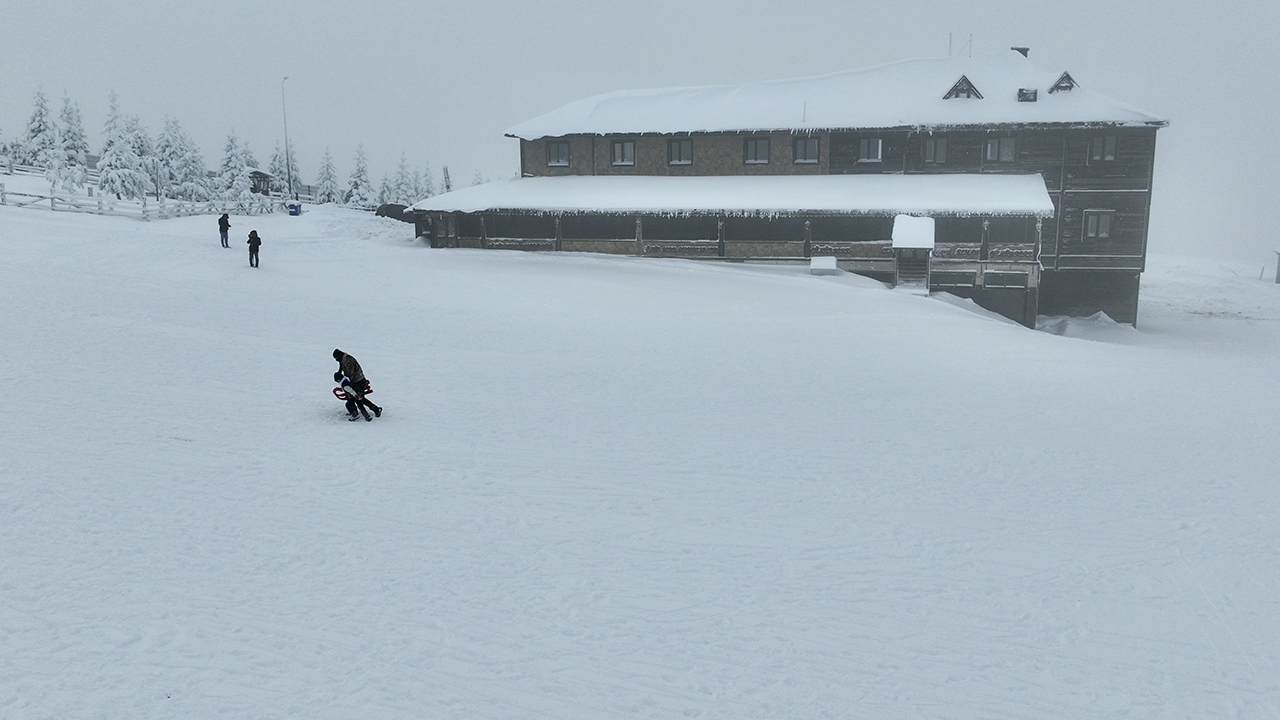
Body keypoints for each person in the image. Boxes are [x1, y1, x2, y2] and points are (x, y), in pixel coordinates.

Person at [333, 349, 383, 421]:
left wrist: (345, 384)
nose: (336, 360)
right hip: (353, 381)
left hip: (358, 381)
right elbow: (341, 368)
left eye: (336, 358)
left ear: (340, 356)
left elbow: (350, 375)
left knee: (359, 398)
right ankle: (354, 412)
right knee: (352, 397)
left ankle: (375, 409)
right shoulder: (343, 359)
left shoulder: (348, 361)